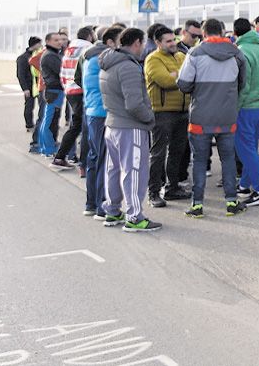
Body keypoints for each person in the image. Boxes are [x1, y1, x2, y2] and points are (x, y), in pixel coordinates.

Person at [177, 18, 248, 218]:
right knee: (227, 159)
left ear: (204, 33)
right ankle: (232, 202)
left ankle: (197, 205)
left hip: (201, 115)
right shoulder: (237, 53)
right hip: (227, 114)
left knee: (199, 161)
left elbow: (183, 84)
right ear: (223, 31)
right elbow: (242, 83)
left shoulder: (194, 53)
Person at [99, 28, 162, 232]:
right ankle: (134, 216)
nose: (143, 47)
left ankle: (113, 209)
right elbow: (134, 104)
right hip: (130, 127)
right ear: (136, 43)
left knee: (114, 170)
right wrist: (150, 118)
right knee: (133, 171)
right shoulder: (128, 67)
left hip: (113, 125)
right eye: (142, 43)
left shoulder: (108, 63)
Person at [144, 26, 191, 207]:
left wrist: (177, 76)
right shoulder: (152, 59)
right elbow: (165, 81)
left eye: (174, 39)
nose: (173, 43)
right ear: (158, 43)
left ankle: (172, 188)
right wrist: (180, 77)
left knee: (177, 152)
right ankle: (154, 192)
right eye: (168, 41)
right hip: (161, 112)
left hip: (183, 111)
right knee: (158, 153)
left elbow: (190, 78)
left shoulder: (181, 56)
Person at [233, 17, 259, 206]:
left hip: (246, 106)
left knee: (245, 148)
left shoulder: (241, 51)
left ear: (235, 33)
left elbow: (244, 85)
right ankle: (244, 185)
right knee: (251, 147)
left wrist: (236, 107)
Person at [81, 27, 120, 218]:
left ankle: (91, 203)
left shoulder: (88, 56)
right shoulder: (105, 58)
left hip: (91, 110)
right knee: (105, 160)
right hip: (102, 111)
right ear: (110, 41)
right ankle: (102, 206)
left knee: (94, 158)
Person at [52, 27, 94, 171]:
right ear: (89, 36)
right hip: (82, 90)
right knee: (85, 127)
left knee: (76, 125)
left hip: (70, 89)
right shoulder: (89, 49)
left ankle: (60, 157)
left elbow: (62, 72)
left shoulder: (69, 50)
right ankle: (83, 162)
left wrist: (67, 87)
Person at [36, 32, 66, 157]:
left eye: (60, 40)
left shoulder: (52, 54)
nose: (60, 42)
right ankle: (48, 149)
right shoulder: (50, 56)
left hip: (53, 91)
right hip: (54, 91)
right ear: (48, 42)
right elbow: (62, 71)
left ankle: (46, 147)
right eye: (56, 40)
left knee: (49, 120)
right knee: (49, 121)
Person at [16, 37, 42, 133]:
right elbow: (20, 75)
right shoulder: (22, 58)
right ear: (34, 45)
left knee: (42, 106)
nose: (41, 46)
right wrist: (25, 88)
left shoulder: (38, 55)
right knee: (29, 106)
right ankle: (29, 125)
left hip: (39, 85)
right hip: (29, 86)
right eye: (39, 44)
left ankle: (41, 124)